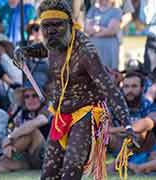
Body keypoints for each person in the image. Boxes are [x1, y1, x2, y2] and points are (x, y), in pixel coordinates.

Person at [14, 0, 137, 179]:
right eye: (46, 26)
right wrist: (24, 51)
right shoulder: (54, 43)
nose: (51, 31)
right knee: (48, 173)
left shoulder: (86, 51)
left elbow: (110, 89)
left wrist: (127, 124)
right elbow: (45, 49)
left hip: (85, 114)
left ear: (70, 25)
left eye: (57, 25)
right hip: (60, 115)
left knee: (71, 169)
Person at [0, 81, 51, 175]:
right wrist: (10, 145)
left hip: (47, 155)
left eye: (35, 95)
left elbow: (41, 121)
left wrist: (10, 138)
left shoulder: (47, 108)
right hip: (29, 157)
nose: (31, 99)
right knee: (7, 164)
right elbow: (15, 130)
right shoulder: (23, 114)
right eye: (27, 96)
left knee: (31, 131)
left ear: (41, 98)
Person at [85, 0, 122, 69]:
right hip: (94, 49)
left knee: (109, 73)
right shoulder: (92, 10)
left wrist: (97, 29)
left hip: (109, 50)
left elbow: (112, 30)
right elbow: (87, 28)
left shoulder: (116, 11)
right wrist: (104, 29)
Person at [139, 0, 156, 73]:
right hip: (152, 37)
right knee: (150, 71)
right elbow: (145, 19)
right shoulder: (145, 1)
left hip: (153, 38)